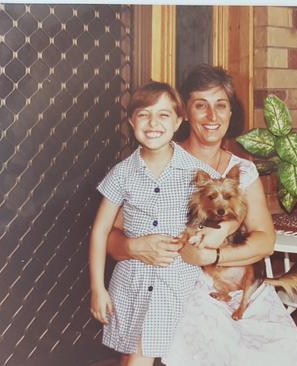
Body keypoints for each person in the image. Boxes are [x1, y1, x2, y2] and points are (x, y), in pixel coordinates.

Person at [105, 65, 297, 366]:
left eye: (220, 105)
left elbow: (265, 241)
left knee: (285, 342)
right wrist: (134, 247)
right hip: (174, 285)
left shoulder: (242, 171)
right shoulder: (160, 160)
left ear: (230, 112)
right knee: (213, 345)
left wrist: (215, 256)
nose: (212, 117)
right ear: (185, 112)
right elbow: (111, 236)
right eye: (201, 105)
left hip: (233, 284)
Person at [89, 81, 207, 365]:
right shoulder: (122, 174)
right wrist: (97, 288)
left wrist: (203, 237)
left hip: (175, 282)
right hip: (132, 283)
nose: (153, 123)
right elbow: (100, 230)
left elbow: (225, 210)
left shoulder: (197, 171)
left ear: (179, 121)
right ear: (131, 121)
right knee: (131, 353)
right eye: (143, 114)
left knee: (139, 357)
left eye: (164, 115)